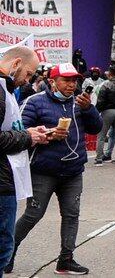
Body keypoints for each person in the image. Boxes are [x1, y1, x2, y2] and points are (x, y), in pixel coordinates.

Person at [9, 63, 101, 275]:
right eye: (66, 80)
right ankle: (7, 251)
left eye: (74, 80)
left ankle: (66, 259)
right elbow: (20, 132)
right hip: (44, 170)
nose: (71, 85)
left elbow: (96, 128)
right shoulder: (35, 102)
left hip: (73, 171)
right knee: (33, 214)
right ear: (52, 81)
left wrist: (89, 109)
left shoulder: (80, 102)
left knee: (71, 214)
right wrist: (49, 134)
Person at [0, 47, 51, 274]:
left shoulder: (6, 89)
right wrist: (27, 137)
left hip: (6, 178)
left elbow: (8, 128)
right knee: (3, 249)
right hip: (1, 183)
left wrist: (27, 132)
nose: (27, 80)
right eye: (29, 74)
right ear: (16, 63)